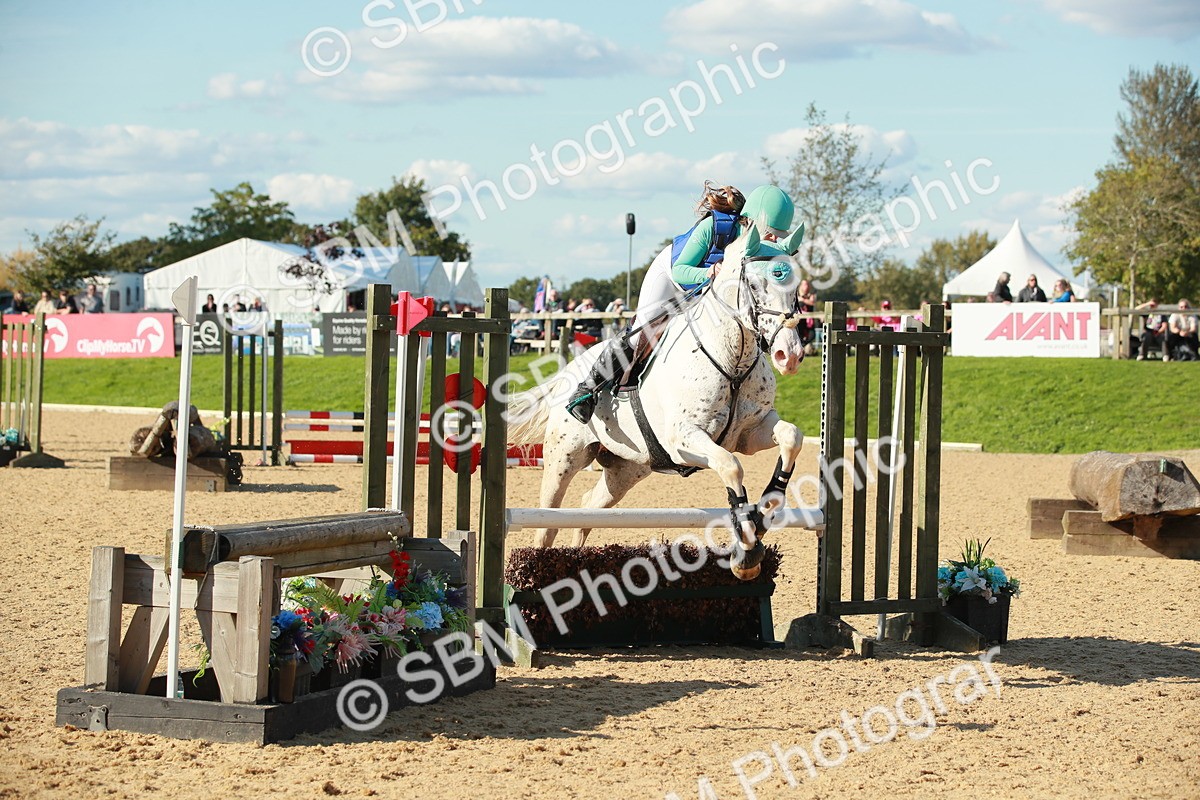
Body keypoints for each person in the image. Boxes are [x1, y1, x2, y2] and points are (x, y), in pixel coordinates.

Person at [565, 181, 800, 423]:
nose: (772, 241)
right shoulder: (715, 227)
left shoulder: (761, 253)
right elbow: (680, 271)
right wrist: (708, 274)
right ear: (751, 222)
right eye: (769, 233)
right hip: (672, 276)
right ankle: (587, 390)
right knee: (641, 331)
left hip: (705, 291)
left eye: (777, 237)